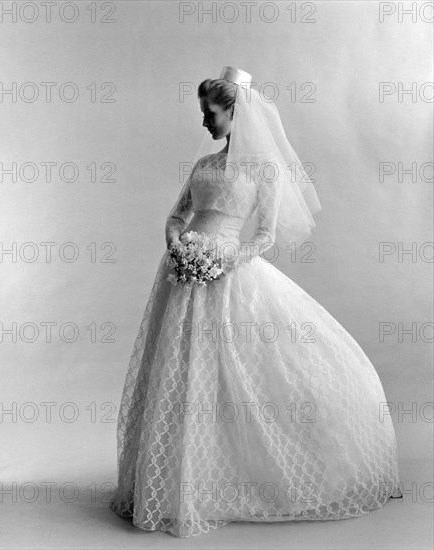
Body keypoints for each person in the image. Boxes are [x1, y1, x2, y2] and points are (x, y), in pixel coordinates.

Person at [109, 66, 400, 538]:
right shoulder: (204, 167)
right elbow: (177, 214)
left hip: (226, 275)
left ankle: (230, 476)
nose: (205, 122)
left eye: (211, 113)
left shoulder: (262, 171)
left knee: (234, 375)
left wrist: (222, 260)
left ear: (234, 113)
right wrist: (176, 246)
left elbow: (264, 235)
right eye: (203, 113)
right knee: (178, 373)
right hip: (181, 275)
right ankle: (176, 480)